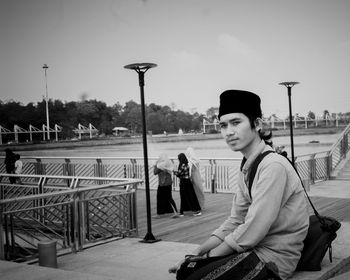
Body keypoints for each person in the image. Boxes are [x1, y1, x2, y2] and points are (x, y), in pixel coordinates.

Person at [169, 90, 309, 280]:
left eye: (236, 123)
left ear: (257, 124)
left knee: (192, 275)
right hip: (251, 250)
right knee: (187, 270)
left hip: (273, 259)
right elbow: (236, 220)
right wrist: (198, 251)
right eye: (223, 125)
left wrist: (207, 258)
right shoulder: (248, 165)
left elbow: (254, 228)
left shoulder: (272, 165)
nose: (229, 132)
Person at [153, 153, 179, 218]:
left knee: (160, 198)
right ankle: (173, 211)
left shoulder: (160, 165)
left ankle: (160, 213)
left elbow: (155, 172)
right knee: (169, 198)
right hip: (168, 183)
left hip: (162, 184)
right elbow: (174, 171)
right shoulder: (169, 164)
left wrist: (155, 165)